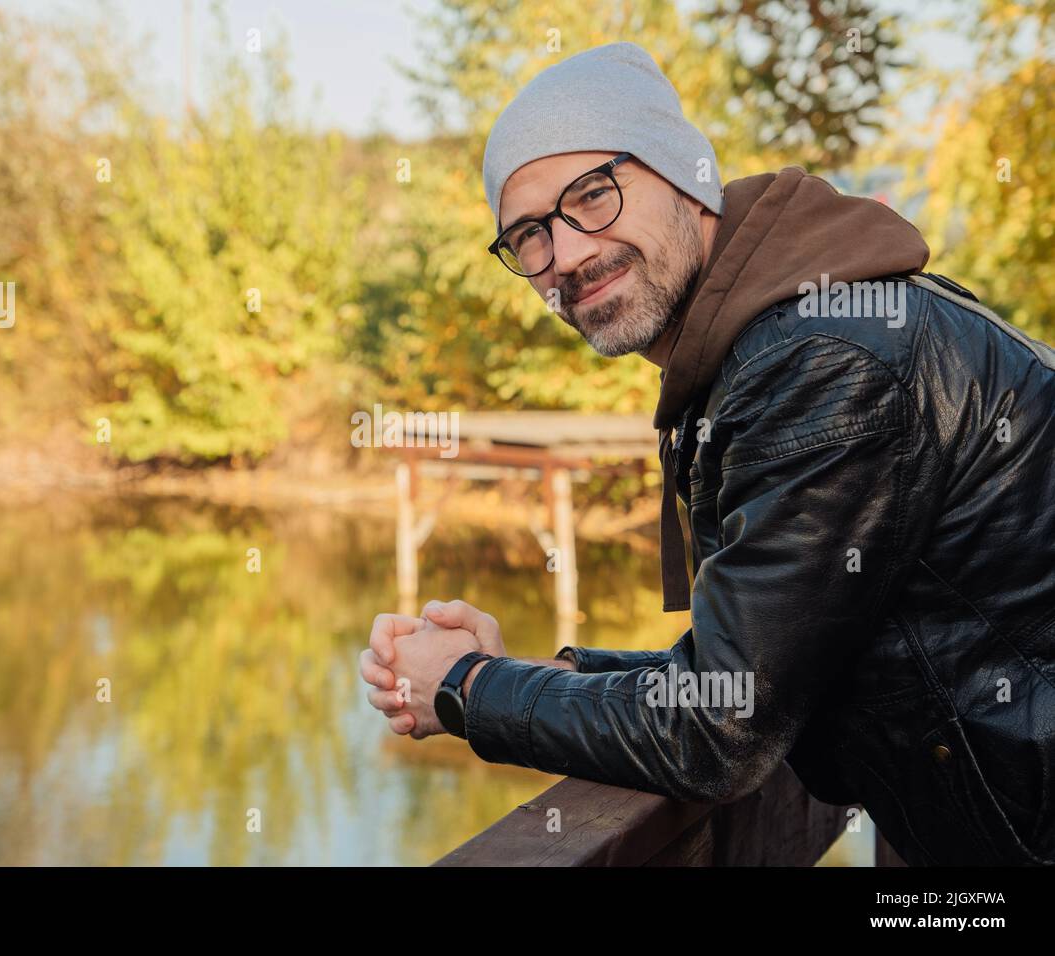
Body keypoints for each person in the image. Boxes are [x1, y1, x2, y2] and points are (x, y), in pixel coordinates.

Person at [359, 42, 1055, 866]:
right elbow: (763, 668)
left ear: (687, 176)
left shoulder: (819, 362)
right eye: (530, 236)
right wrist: (540, 672)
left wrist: (466, 690)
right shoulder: (786, 331)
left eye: (593, 195)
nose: (569, 254)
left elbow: (717, 731)